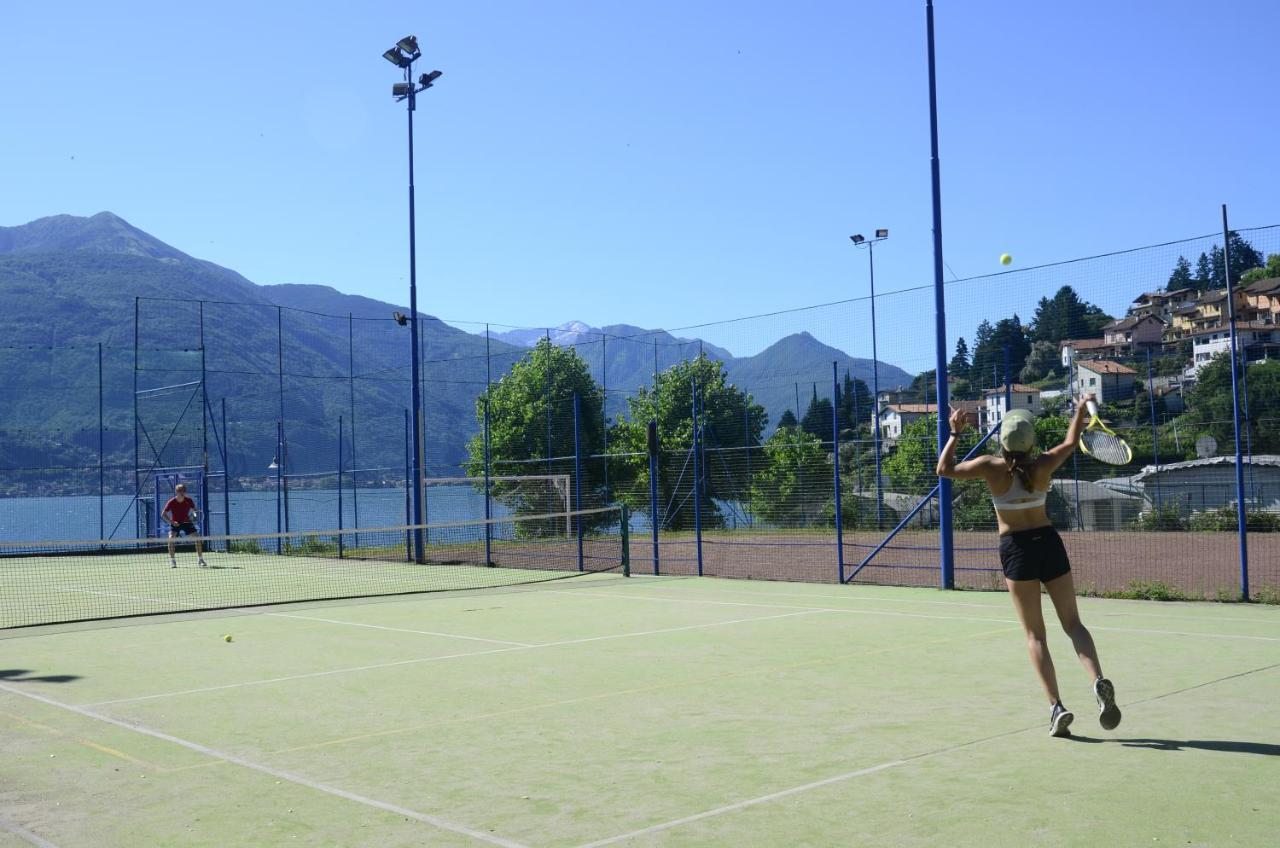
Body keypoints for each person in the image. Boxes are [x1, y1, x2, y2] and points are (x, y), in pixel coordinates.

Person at [935, 395, 1120, 737]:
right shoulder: (1044, 465)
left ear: (1002, 441)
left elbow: (943, 470)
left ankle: (1056, 707)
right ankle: (1097, 680)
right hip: (1048, 544)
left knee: (1035, 635)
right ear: (1031, 441)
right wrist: (1080, 411)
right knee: (1074, 625)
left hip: (1017, 550)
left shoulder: (990, 467)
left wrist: (955, 433)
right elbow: (1069, 441)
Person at [161, 482, 207, 568]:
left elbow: (195, 511)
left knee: (198, 538)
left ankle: (200, 559)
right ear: (176, 492)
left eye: (183, 491)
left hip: (186, 522)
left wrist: (195, 515)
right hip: (175, 523)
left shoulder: (189, 500)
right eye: (180, 491)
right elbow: (163, 514)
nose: (182, 493)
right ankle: (173, 561)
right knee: (171, 539)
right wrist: (171, 522)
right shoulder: (171, 502)